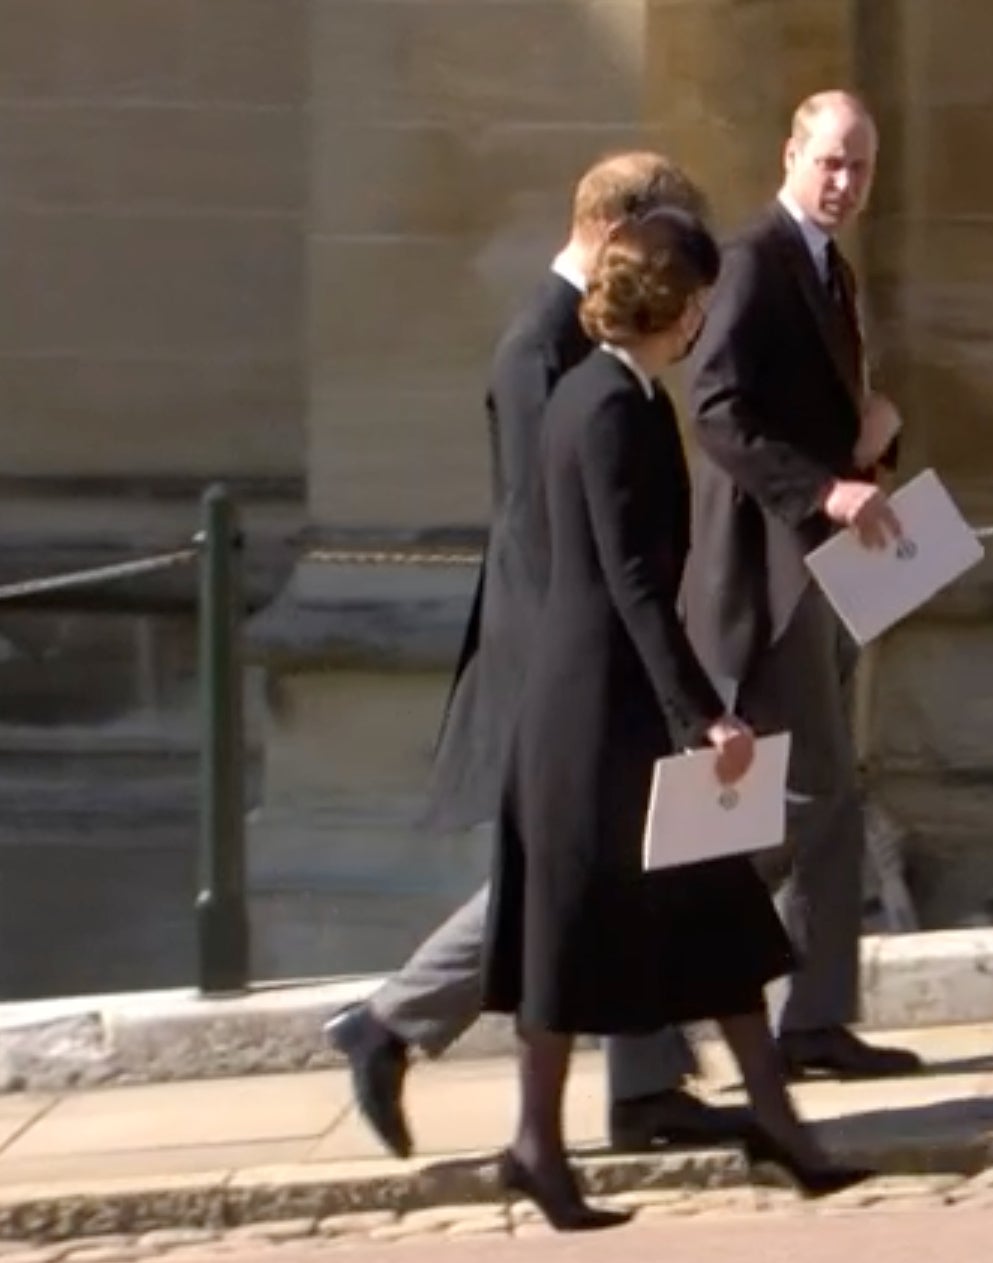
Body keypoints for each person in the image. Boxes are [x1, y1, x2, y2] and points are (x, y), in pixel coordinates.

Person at [324, 153, 743, 1161]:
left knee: (633, 861)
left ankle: (644, 1087)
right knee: (567, 875)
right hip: (568, 654)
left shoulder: (584, 338)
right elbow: (552, 527)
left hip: (598, 647)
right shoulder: (543, 347)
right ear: (616, 232)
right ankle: (390, 1024)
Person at [481, 208, 872, 1232]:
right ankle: (538, 1146)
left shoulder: (620, 396)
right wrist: (703, 715)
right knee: (566, 935)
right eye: (697, 300)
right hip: (597, 713)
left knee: (719, 910)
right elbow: (633, 584)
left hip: (624, 701)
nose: (705, 318)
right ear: (673, 303)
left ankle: (776, 1122)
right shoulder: (607, 407)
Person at [675, 89, 921, 1080]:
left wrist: (876, 445)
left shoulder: (831, 270)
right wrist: (822, 490)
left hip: (816, 568)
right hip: (764, 575)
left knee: (781, 805)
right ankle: (748, 1013)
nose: (843, 183)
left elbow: (818, 409)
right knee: (787, 803)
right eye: (828, 162)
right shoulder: (753, 262)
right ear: (789, 154)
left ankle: (773, 1014)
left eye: (859, 167)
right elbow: (717, 410)